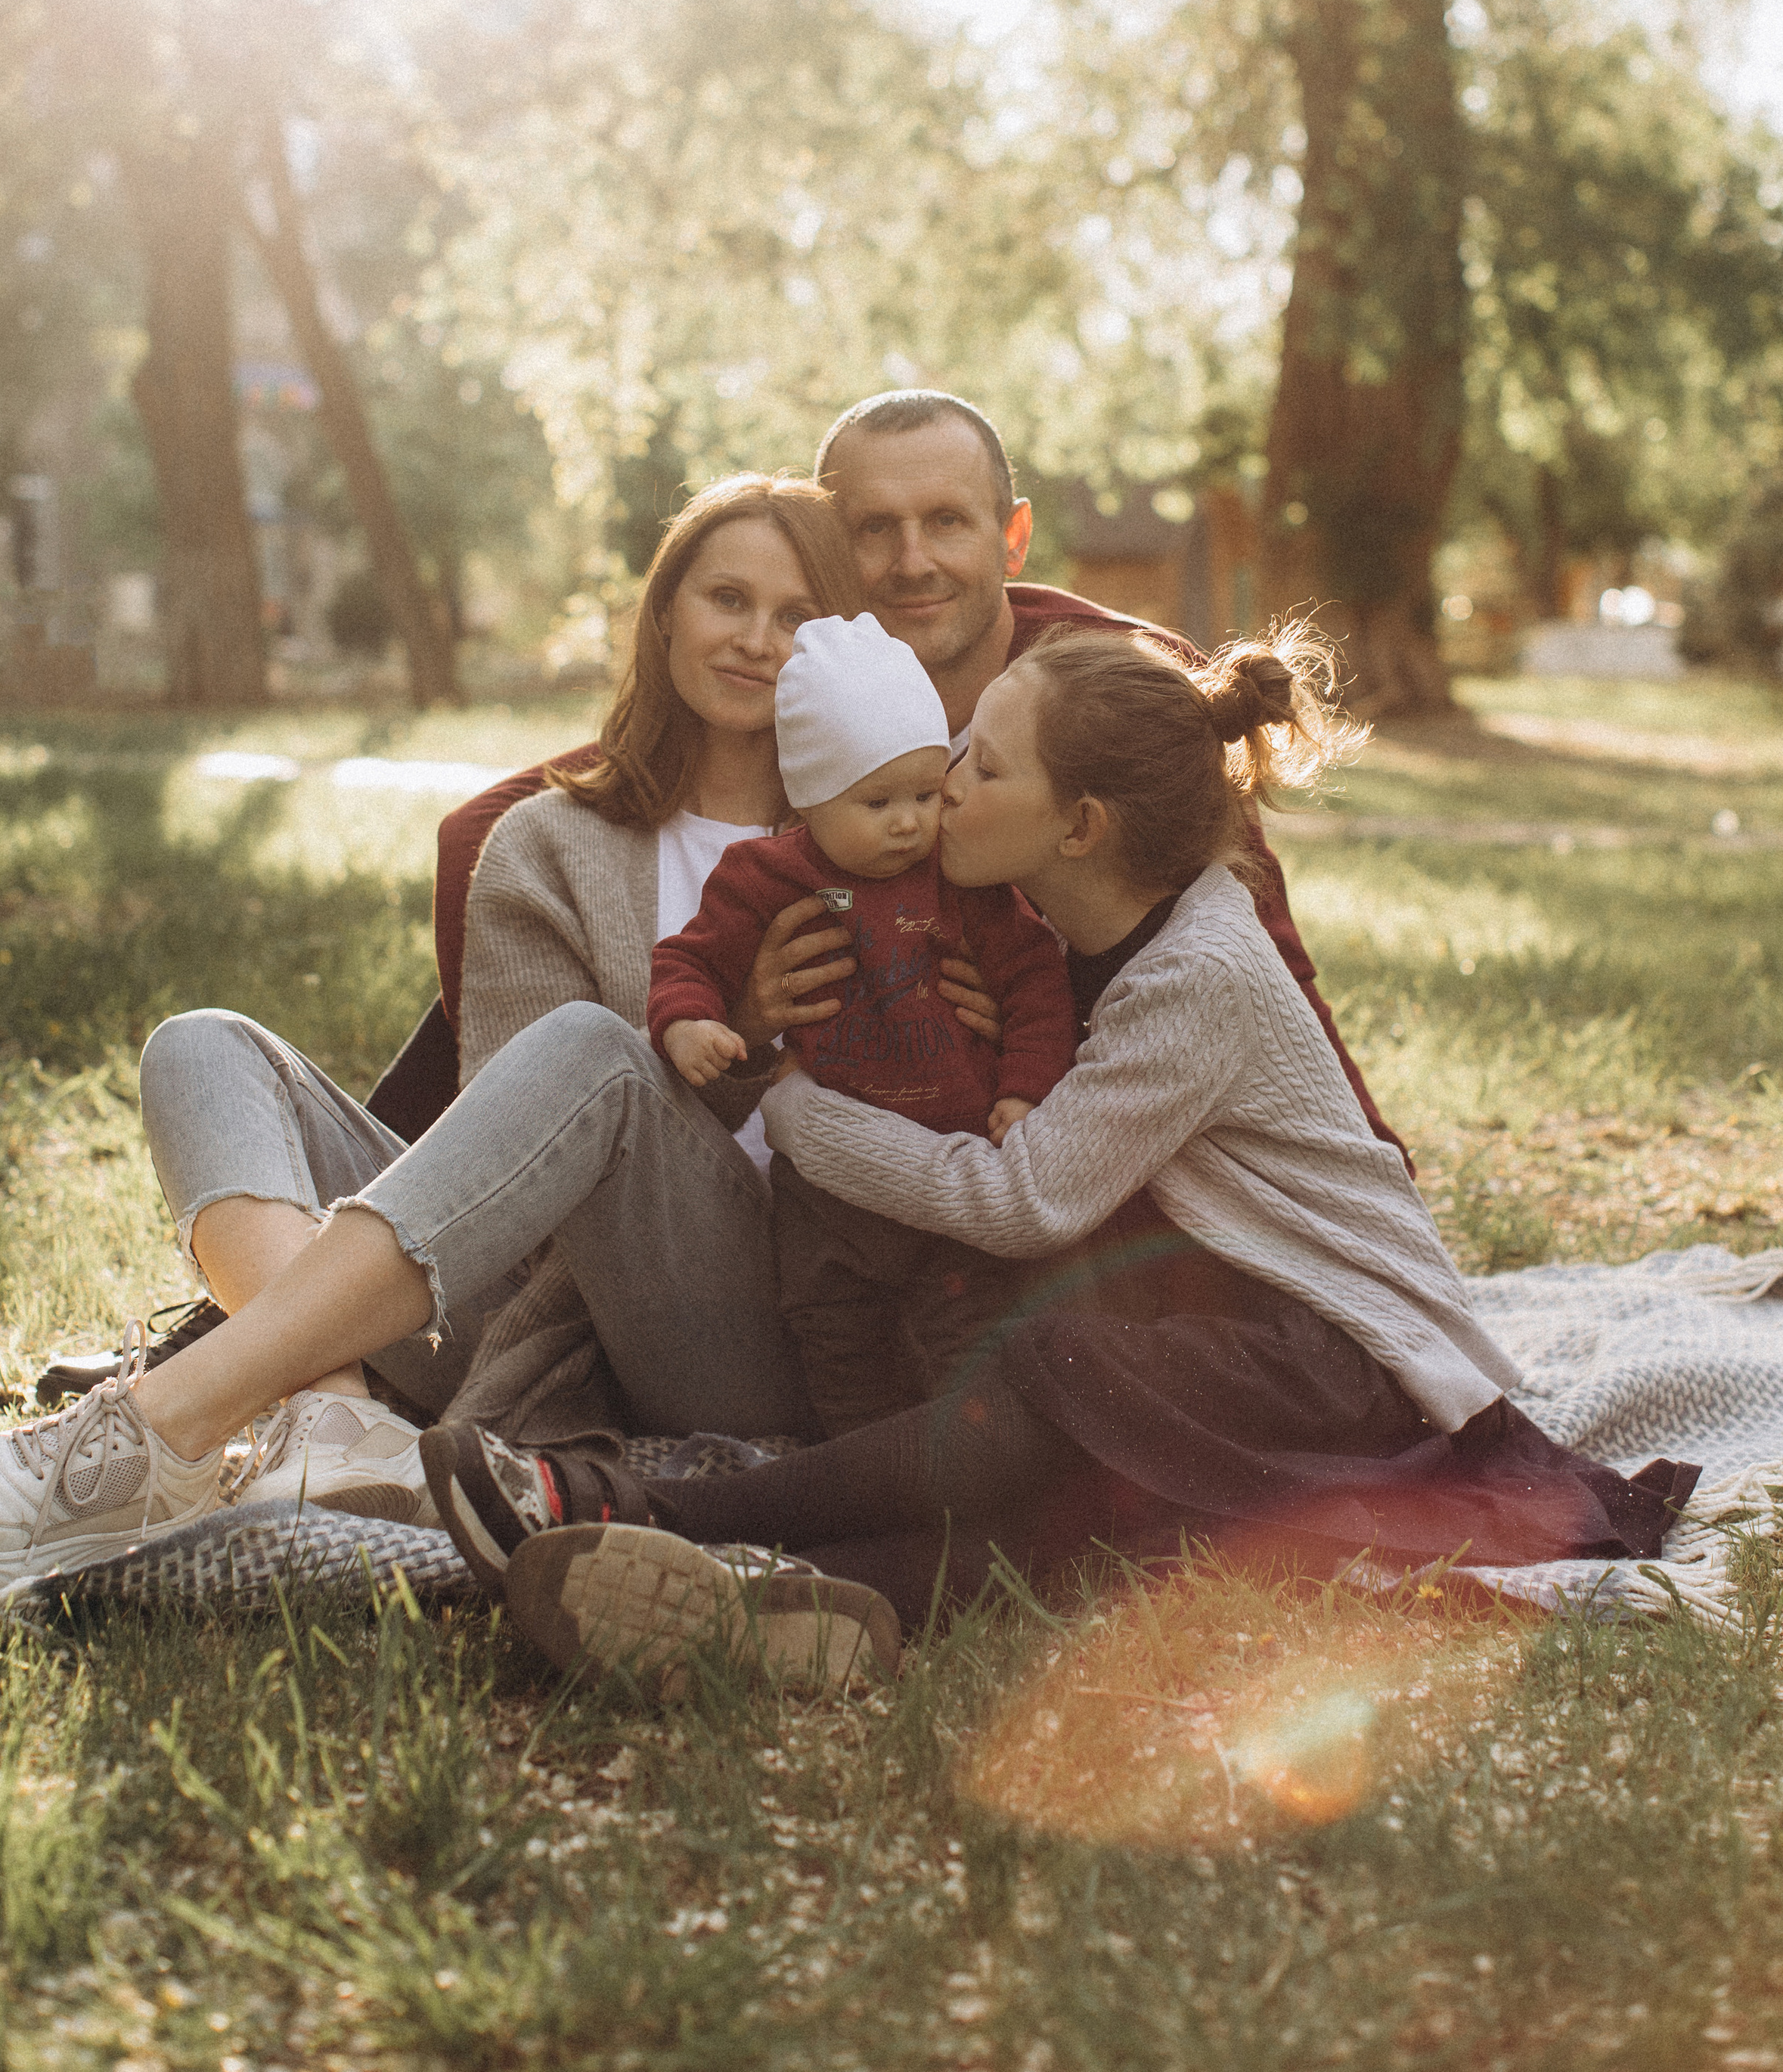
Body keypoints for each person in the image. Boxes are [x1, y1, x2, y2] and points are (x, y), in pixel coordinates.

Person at [424, 622, 1700, 1688]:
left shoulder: (1202, 969)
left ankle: (629, 1514)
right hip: (1215, 1317)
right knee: (1092, 1524)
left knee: (1046, 1377)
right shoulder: (1049, 919)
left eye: (981, 767)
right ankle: (776, 1603)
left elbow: (1023, 1196)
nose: (947, 788)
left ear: (1077, 827)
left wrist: (799, 1109)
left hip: (1339, 1354)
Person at [0, 473, 906, 1590]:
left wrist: (743, 1039)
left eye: (796, 614)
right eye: (727, 599)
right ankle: (335, 1425)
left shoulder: (877, 855)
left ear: (843, 640)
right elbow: (515, 1178)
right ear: (664, 618)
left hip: (748, 1332)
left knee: (598, 1051)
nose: (756, 638)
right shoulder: (550, 845)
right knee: (202, 1046)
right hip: (542, 1303)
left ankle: (161, 1425)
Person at [380, 389, 1407, 1168]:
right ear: (833, 544)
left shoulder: (1093, 687)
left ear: (1012, 537)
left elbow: (1254, 955)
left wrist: (1369, 1160)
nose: (912, 562)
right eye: (874, 529)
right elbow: (595, 797)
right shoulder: (808, 690)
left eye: (949, 523)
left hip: (1041, 1109)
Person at [650, 611, 1075, 1434]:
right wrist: (688, 1025)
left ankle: (963, 1481)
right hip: (828, 1184)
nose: (910, 821)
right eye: (877, 801)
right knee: (835, 1339)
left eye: (926, 792)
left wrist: (1024, 1091)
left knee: (967, 1341)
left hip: (952, 1166)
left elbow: (1034, 982)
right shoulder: (766, 878)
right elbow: (688, 961)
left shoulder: (960, 877)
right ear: (810, 796)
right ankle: (852, 1470)